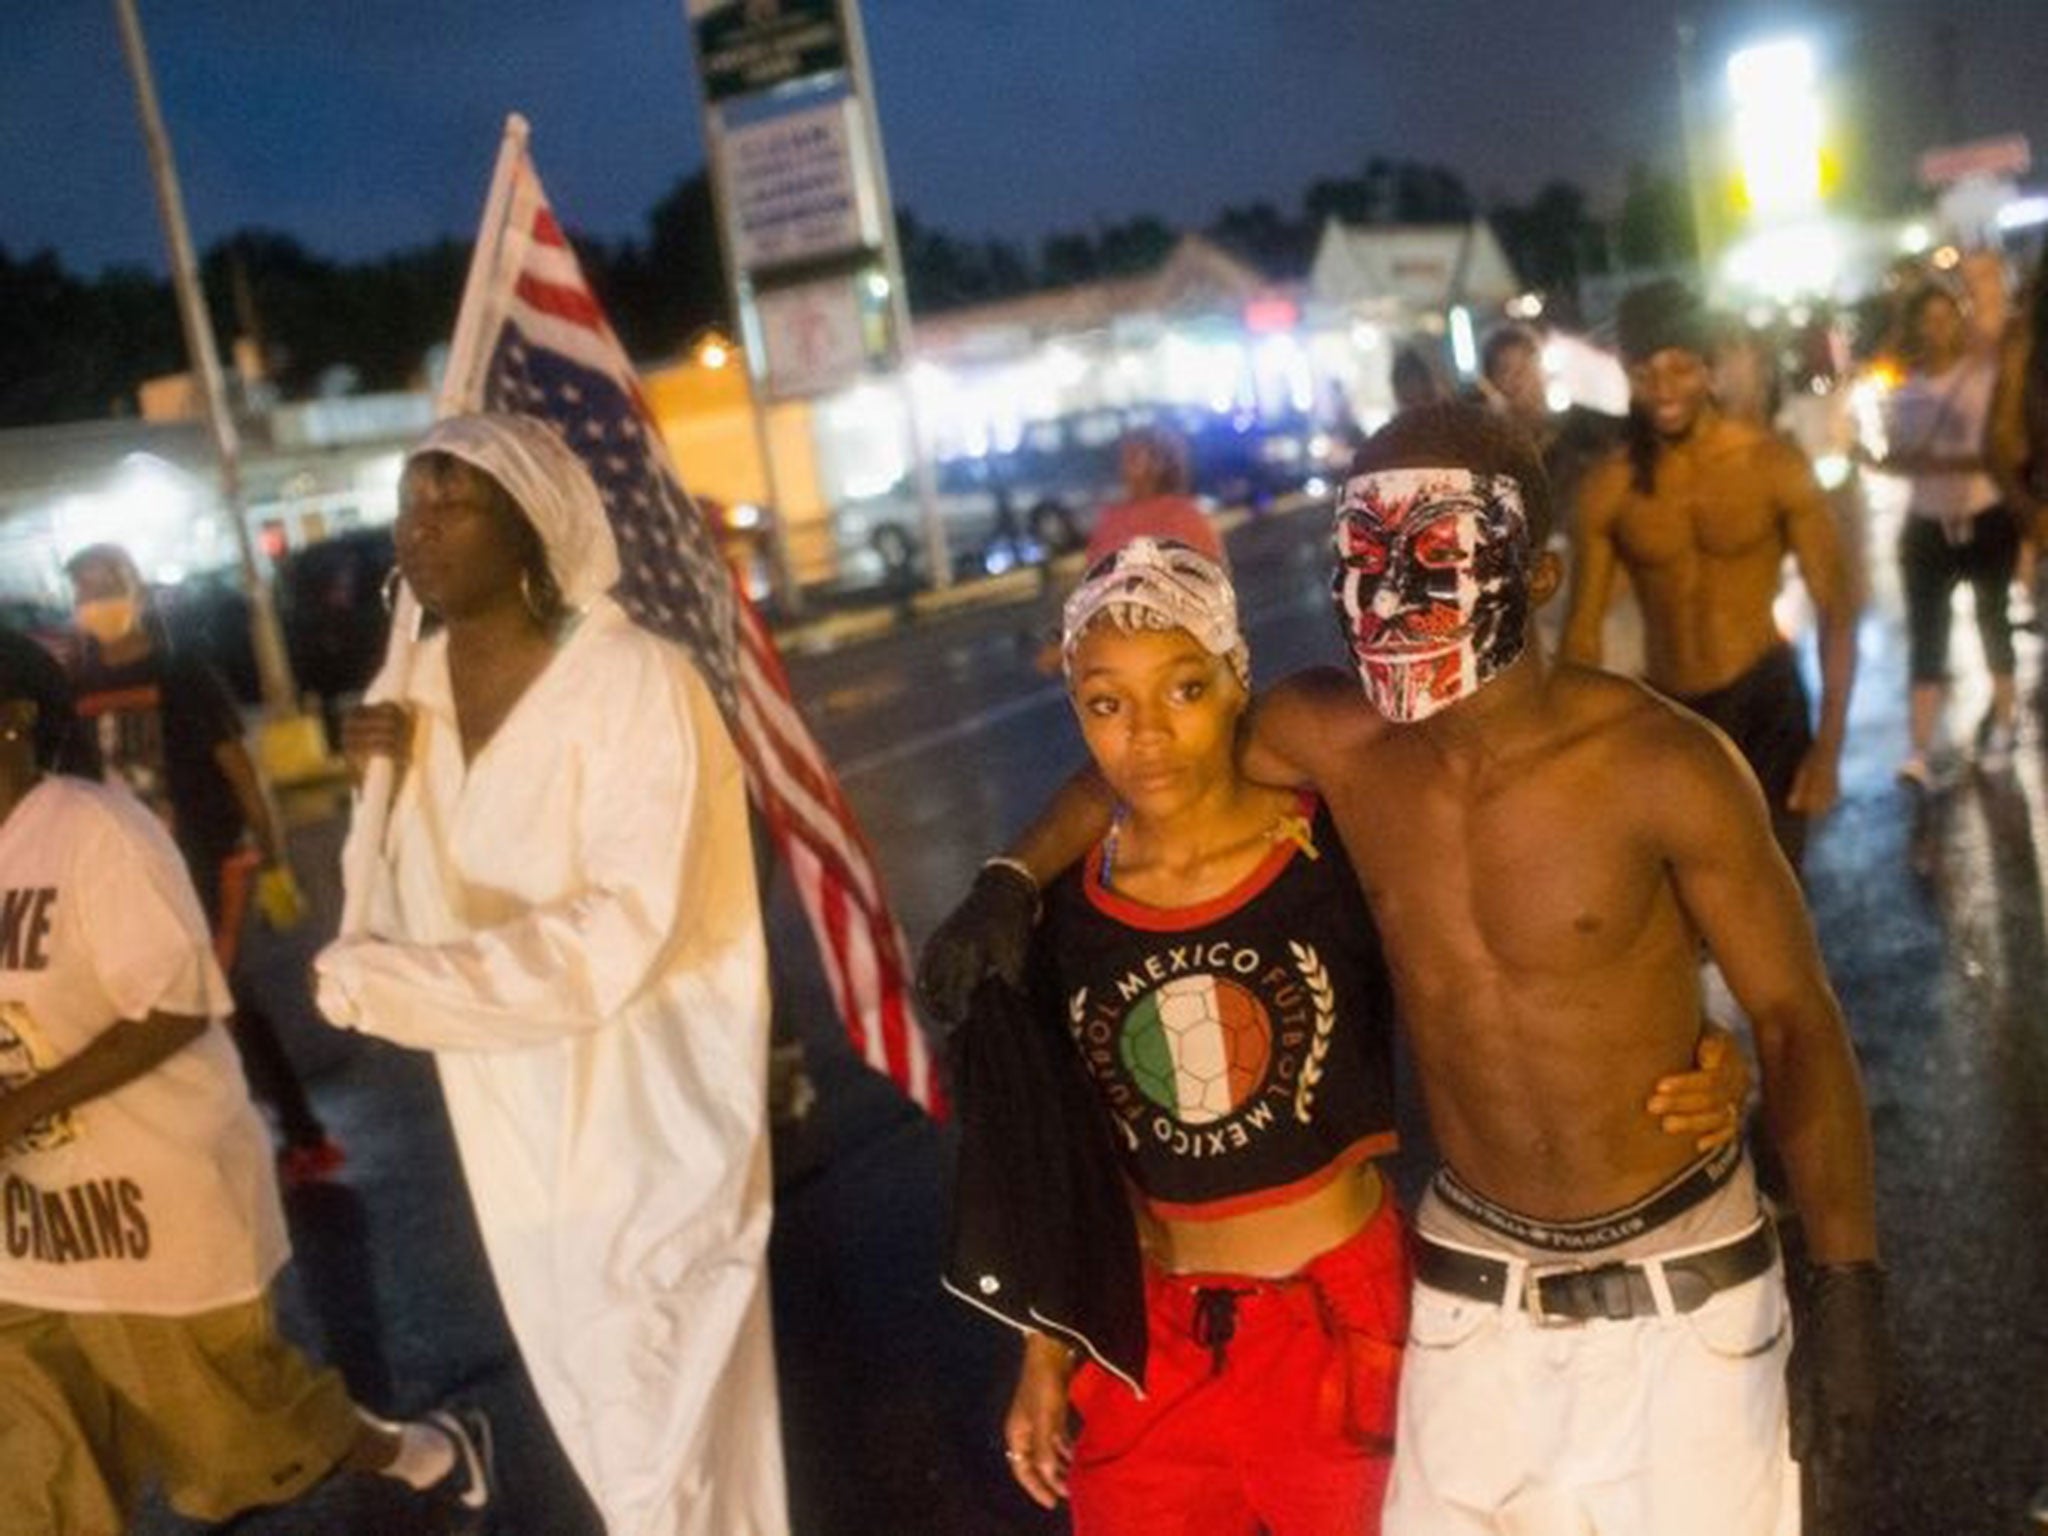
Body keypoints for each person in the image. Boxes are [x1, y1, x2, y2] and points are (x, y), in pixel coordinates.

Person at [924, 403, 1886, 1535]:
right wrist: (1008, 877)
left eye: (1431, 559)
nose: (1385, 600)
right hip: (1472, 1283)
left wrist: (1846, 1286)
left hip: (1684, 1278)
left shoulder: (1659, 765)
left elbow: (1792, 1019)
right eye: (1360, 561)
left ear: (1538, 576)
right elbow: (1152, 762)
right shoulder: (1335, 740)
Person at [313, 412, 787, 1536]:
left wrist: (392, 989)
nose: (418, 530)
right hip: (512, 1133)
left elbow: (616, 935)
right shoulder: (412, 691)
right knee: (611, 1415)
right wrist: (370, 795)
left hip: (647, 1115)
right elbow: (382, 916)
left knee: (651, 1418)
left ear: (531, 527)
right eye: (408, 503)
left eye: (452, 502)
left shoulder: (635, 683)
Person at [0, 634, 490, 1534]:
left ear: (15, 720)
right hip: (25, 1236)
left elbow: (178, 1005)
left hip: (142, 1207)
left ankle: (424, 1448)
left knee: (243, 1445)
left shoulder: (92, 831)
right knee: (34, 1482)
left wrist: (18, 1108)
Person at [63, 544, 345, 1183]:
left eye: (106, 582)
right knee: (162, 1007)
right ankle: (222, 1135)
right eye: (83, 588)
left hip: (208, 861)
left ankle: (301, 1135)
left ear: (135, 587)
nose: (95, 597)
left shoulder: (183, 672)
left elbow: (239, 769)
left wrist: (271, 860)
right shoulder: (75, 689)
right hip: (126, 877)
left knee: (222, 995)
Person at [1564, 280, 1858, 870]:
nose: (1665, 389)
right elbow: (1582, 635)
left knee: (1777, 887)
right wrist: (1580, 760)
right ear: (1627, 373)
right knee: (1693, 900)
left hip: (1765, 699)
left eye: (1680, 369)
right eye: (1647, 373)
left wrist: (1828, 750)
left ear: (1707, 369)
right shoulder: (1610, 488)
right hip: (1675, 711)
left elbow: (1836, 607)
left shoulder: (1771, 464)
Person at [1858, 281, 2020, 782]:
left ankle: (2005, 721)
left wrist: (1947, 461)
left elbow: (2007, 448)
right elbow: (1899, 461)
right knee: (1929, 636)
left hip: (1986, 516)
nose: (1937, 328)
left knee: (1994, 621)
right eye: (1926, 319)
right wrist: (1875, 461)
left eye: (1946, 316)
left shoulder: (1987, 378)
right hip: (1926, 525)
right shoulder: (1903, 390)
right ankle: (1919, 751)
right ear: (1914, 328)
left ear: (1959, 319)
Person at [1479, 322, 1625, 526]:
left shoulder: (1583, 430)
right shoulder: (1492, 456)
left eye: (1527, 365)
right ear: (1492, 383)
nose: (1520, 379)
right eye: (1506, 370)